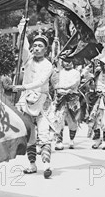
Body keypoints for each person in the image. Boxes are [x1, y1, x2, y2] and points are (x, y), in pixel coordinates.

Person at [12, 34, 54, 178]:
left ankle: (47, 164)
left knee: (43, 133)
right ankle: (32, 164)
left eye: (40, 46)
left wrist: (23, 87)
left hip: (42, 101)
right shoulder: (28, 60)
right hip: (26, 102)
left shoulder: (48, 65)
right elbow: (22, 46)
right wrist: (21, 27)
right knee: (29, 135)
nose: (36, 48)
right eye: (34, 45)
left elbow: (41, 81)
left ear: (46, 49)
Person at [50, 52, 81, 150]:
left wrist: (63, 88)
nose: (67, 63)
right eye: (65, 61)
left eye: (69, 61)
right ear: (62, 62)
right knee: (59, 119)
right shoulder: (58, 72)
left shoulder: (76, 73)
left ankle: (71, 140)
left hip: (72, 99)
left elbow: (74, 84)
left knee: (72, 121)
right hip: (60, 98)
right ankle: (59, 141)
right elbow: (54, 83)